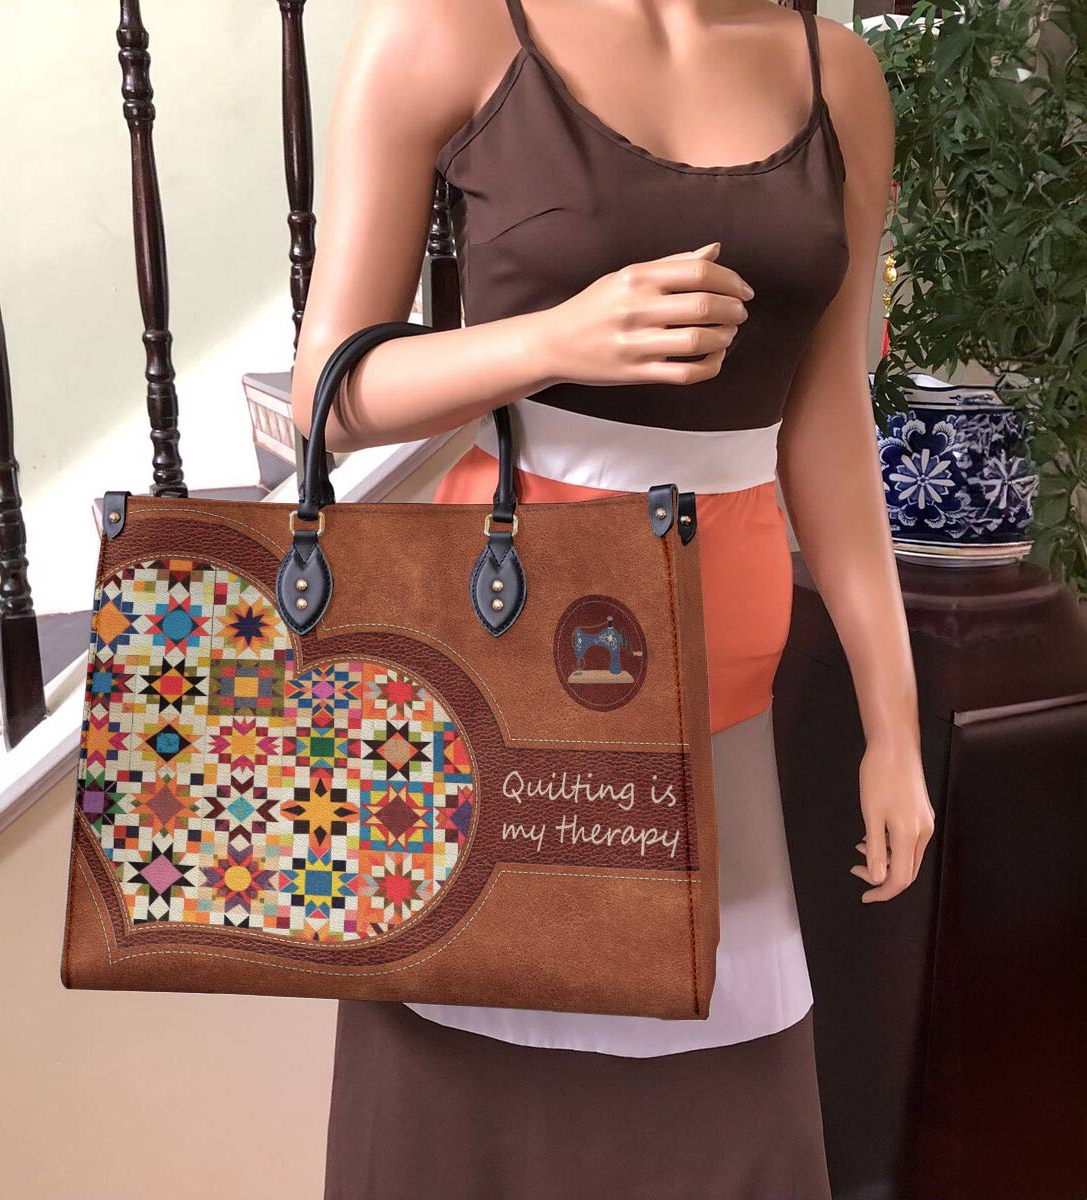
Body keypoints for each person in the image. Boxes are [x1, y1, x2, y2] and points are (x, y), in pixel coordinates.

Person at [289, 1, 936, 1196]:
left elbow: (829, 413)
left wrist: (891, 722)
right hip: (501, 678)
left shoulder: (836, 75)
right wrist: (556, 339)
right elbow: (328, 394)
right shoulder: (448, 31)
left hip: (724, 691)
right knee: (458, 1109)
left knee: (728, 1107)